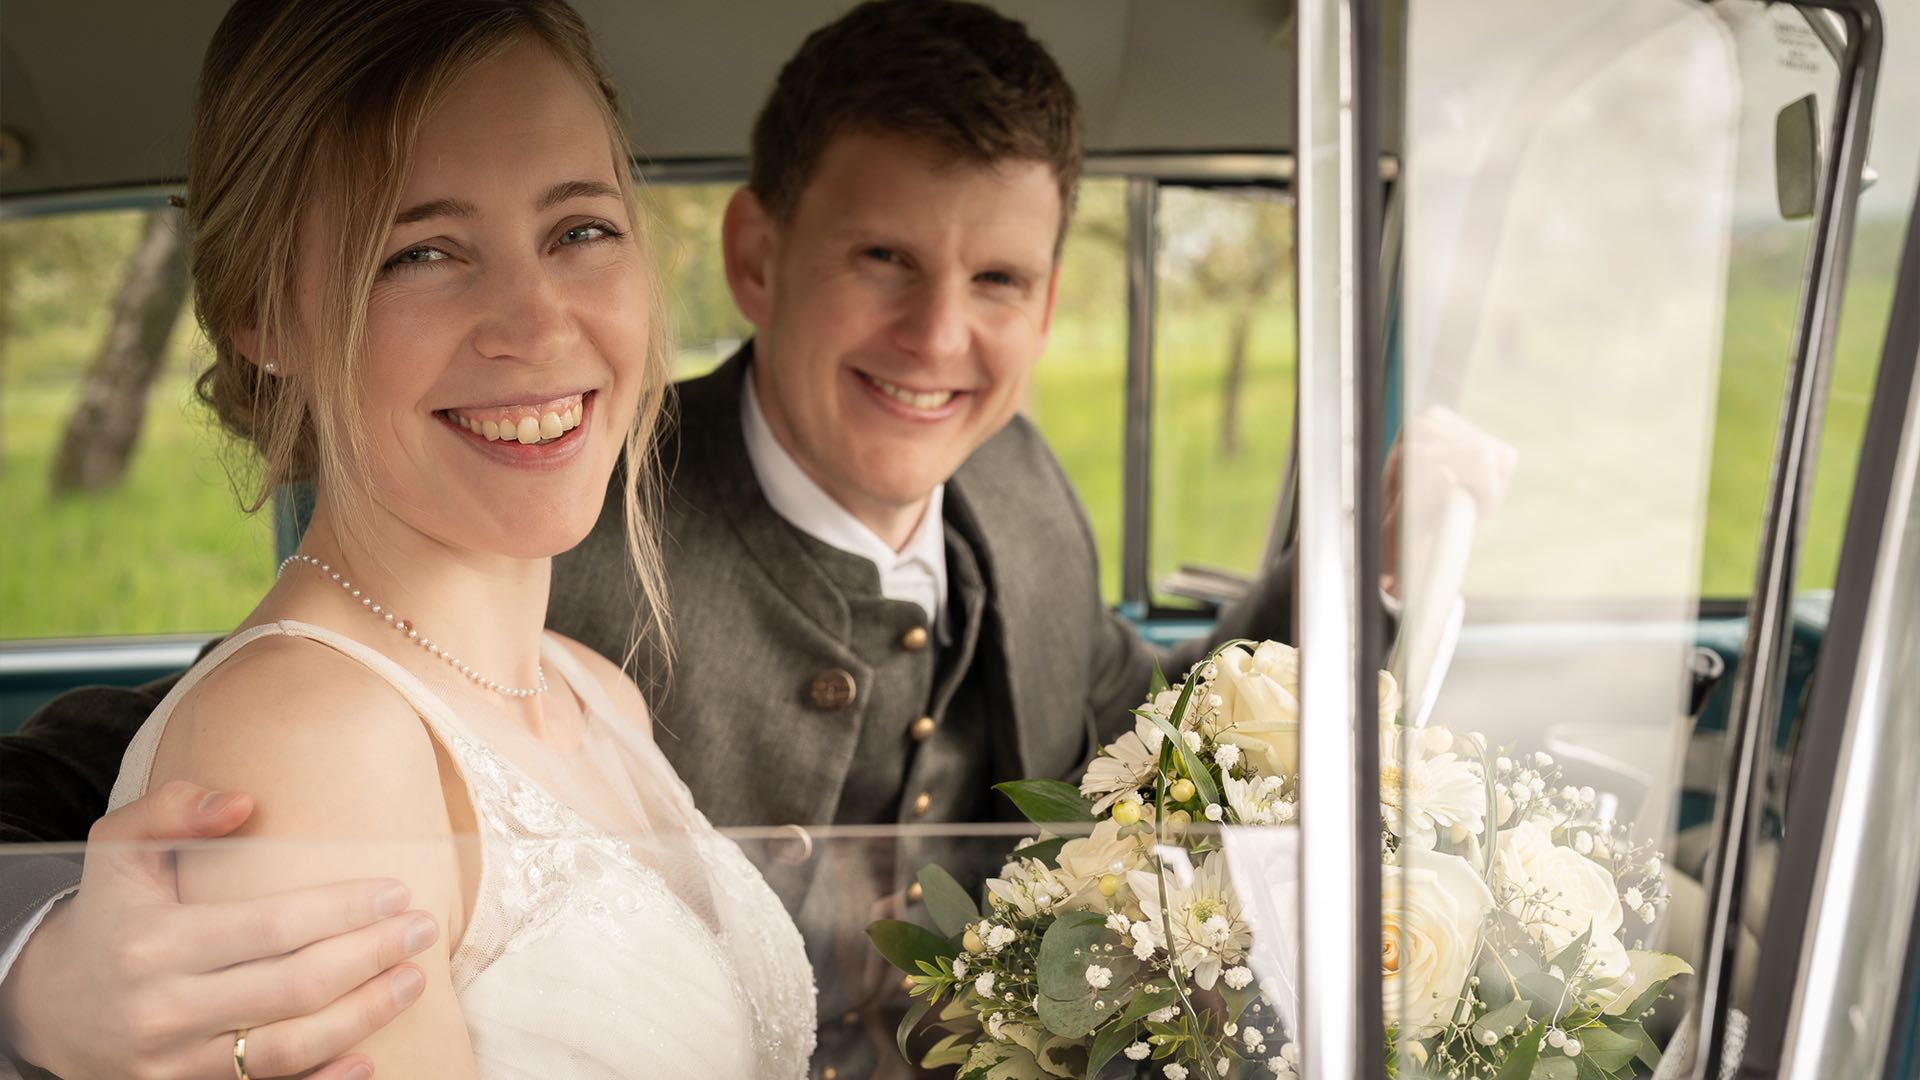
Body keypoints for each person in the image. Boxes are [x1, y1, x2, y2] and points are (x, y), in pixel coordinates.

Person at [0, 2, 1518, 1077]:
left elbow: (1134, 725)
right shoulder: (562, 537)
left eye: (579, 229)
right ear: (754, 256)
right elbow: (185, 772)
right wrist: (27, 967)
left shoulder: (1011, 501)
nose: (939, 336)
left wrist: (1362, 581)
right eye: (426, 250)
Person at [3, 0, 820, 1076]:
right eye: (422, 253)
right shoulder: (306, 741)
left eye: (580, 230)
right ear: (265, 313)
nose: (535, 323)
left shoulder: (592, 695)